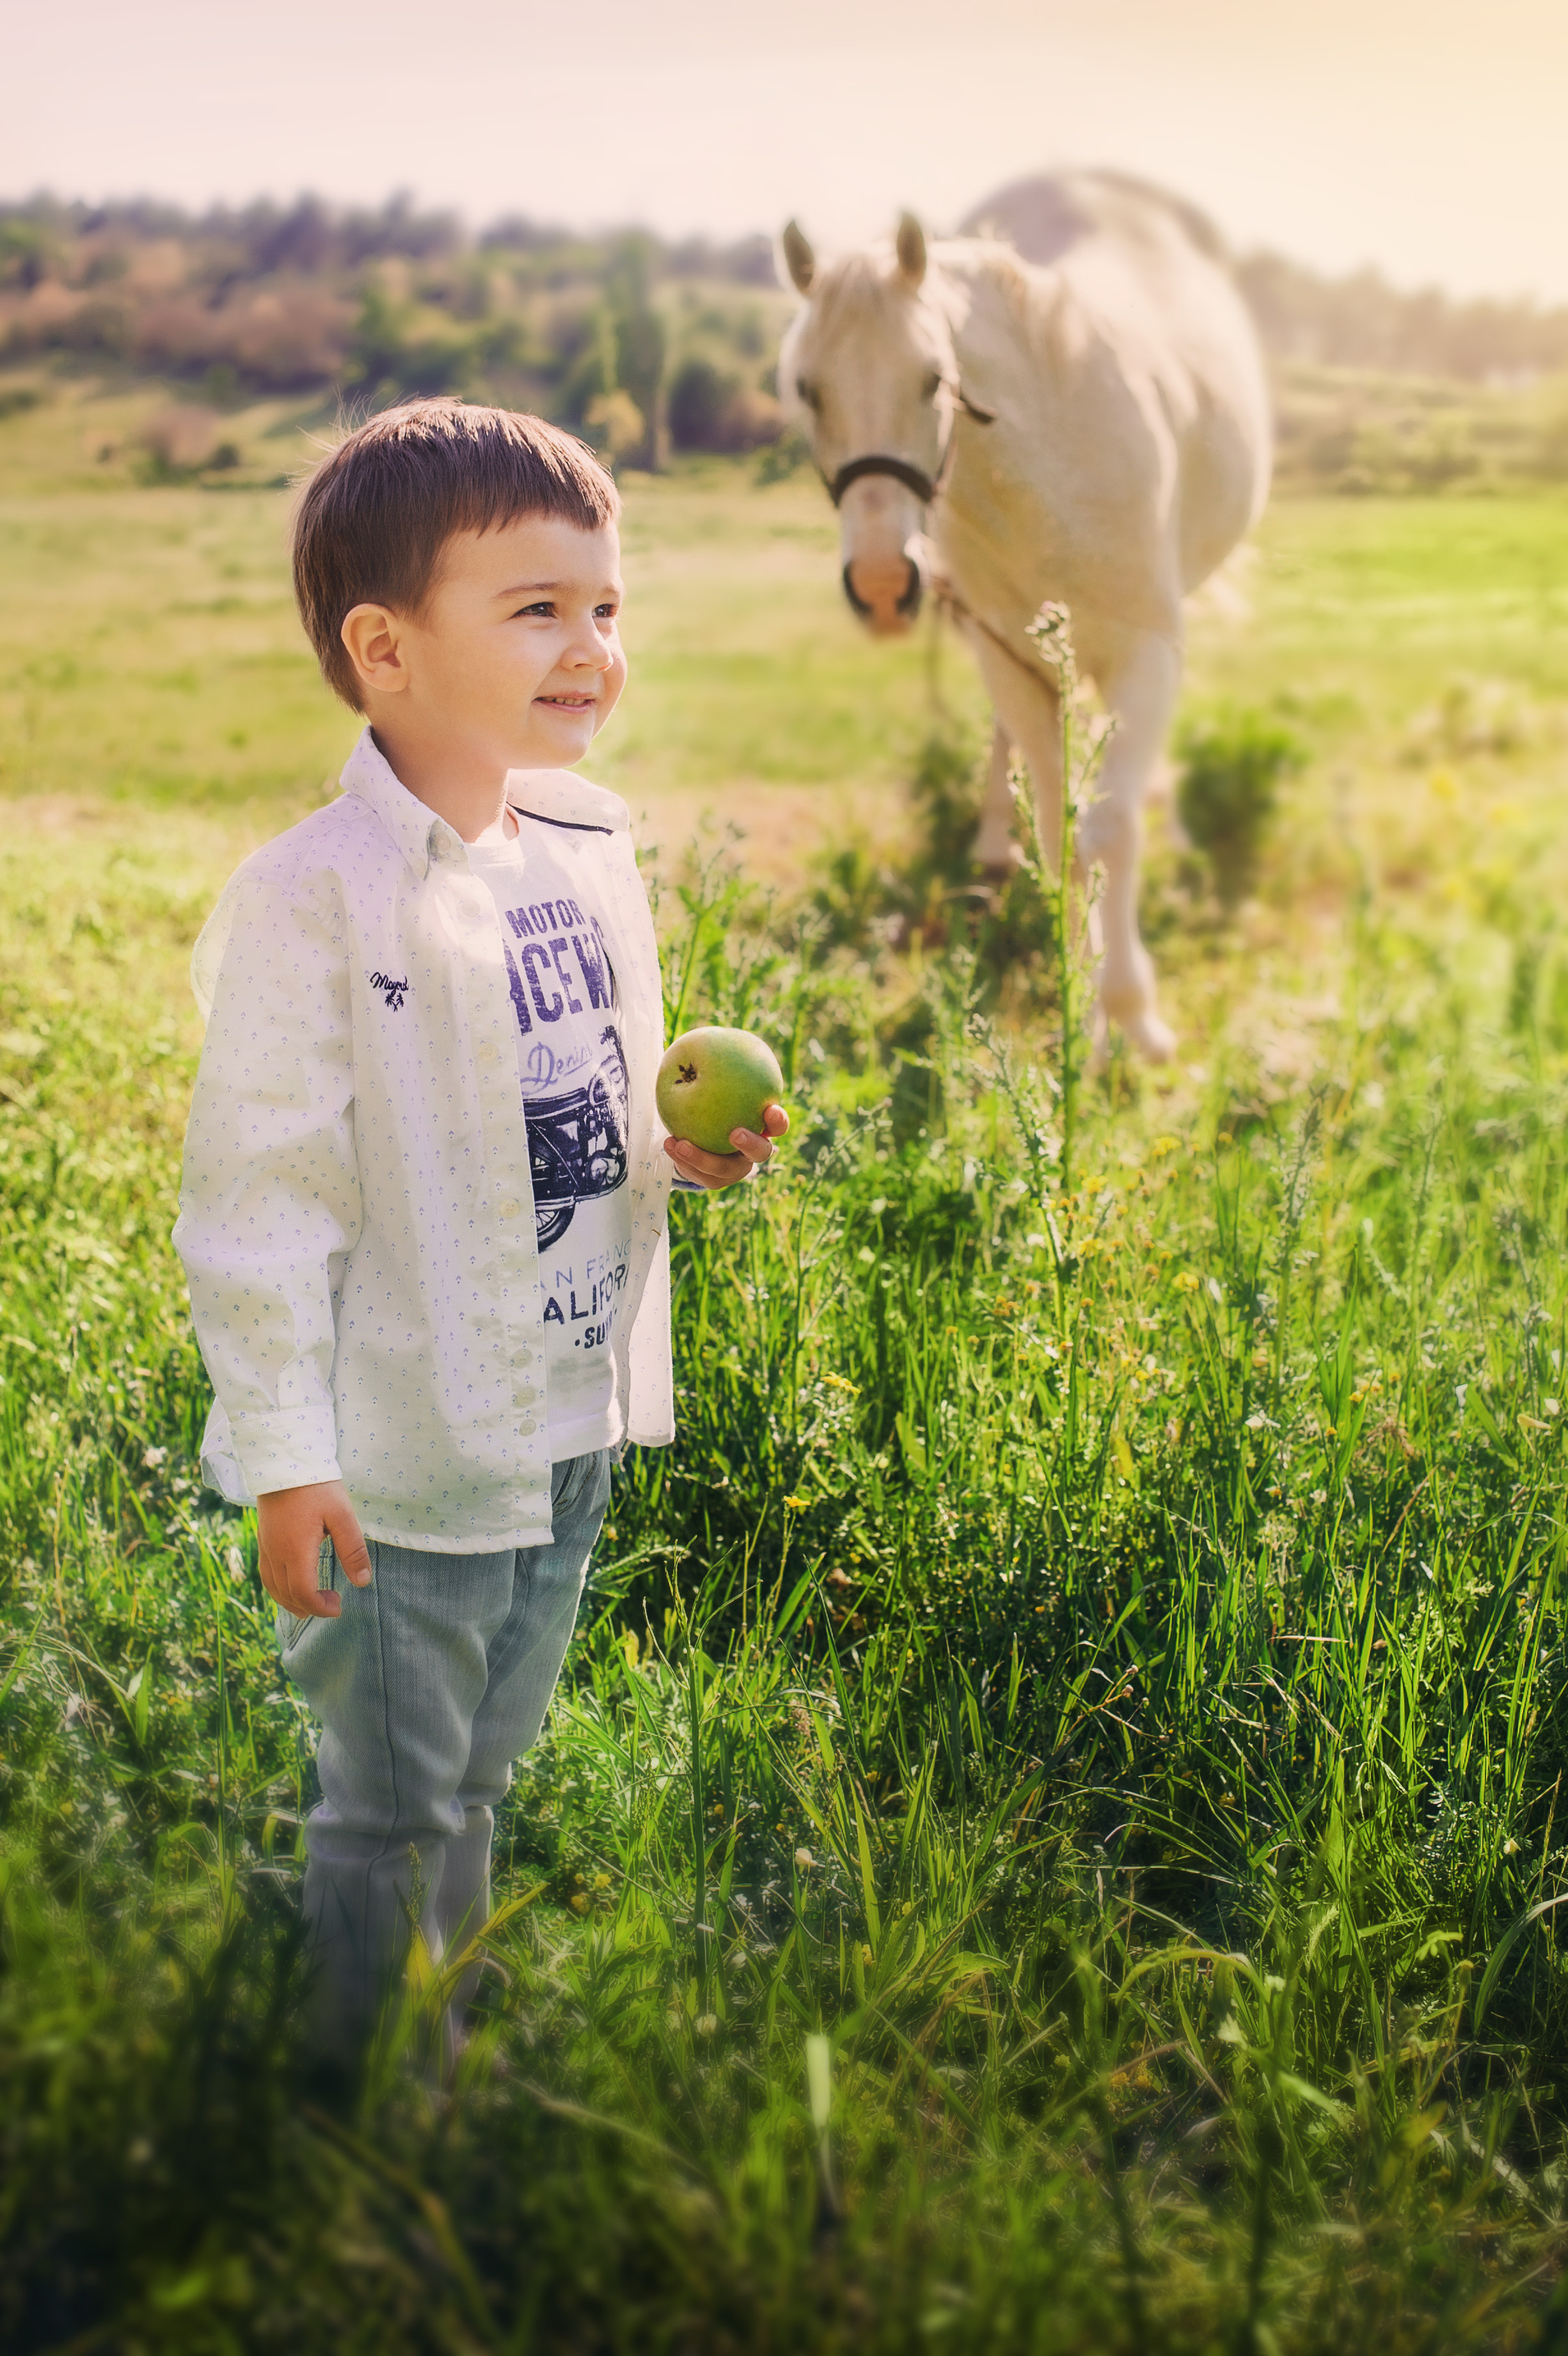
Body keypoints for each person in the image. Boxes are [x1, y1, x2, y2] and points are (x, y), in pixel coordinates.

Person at [173, 397, 786, 2078]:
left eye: (605, 608)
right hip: (404, 1451)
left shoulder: (585, 849)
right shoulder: (313, 898)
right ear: (384, 648)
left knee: (481, 1761)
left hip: (563, 1410)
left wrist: (674, 1150)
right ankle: (379, 2084)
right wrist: (290, 1457)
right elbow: (259, 1202)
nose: (588, 648)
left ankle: (445, 1981)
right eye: (534, 609)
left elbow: (567, 1092)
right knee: (387, 1784)